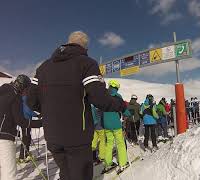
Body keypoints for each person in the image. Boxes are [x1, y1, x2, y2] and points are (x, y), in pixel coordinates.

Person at [27, 31, 126, 180]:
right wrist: (121, 105)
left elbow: (31, 101)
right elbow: (100, 99)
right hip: (78, 136)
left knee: (65, 174)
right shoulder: (86, 63)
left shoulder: (43, 68)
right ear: (85, 48)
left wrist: (49, 112)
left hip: (53, 136)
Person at [0, 75, 42, 180]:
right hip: (4, 137)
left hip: (5, 132)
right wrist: (41, 123)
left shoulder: (3, 92)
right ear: (23, 87)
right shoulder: (15, 97)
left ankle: (23, 155)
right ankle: (23, 155)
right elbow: (21, 121)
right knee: (9, 173)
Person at [102, 80, 131, 172]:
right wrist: (129, 114)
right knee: (120, 143)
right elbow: (124, 109)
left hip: (106, 123)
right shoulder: (118, 97)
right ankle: (123, 163)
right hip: (115, 123)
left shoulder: (104, 95)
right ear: (117, 88)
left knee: (109, 143)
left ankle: (108, 164)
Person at [17, 93, 39, 164]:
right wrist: (37, 115)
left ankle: (25, 154)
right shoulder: (25, 98)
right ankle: (23, 156)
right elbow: (28, 110)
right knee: (26, 138)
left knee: (27, 136)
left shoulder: (22, 98)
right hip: (26, 121)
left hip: (25, 121)